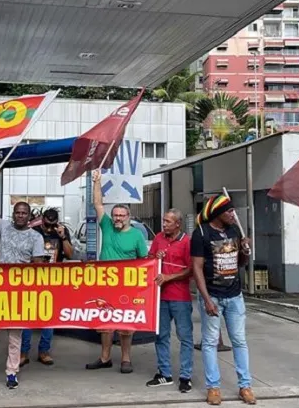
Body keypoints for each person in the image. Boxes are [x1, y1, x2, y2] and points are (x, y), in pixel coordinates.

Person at [0, 171, 45, 391]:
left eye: (24, 213)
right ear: (13, 214)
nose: (20, 216)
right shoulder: (4, 226)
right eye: (17, 212)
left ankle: (12, 373)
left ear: (29, 215)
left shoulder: (36, 237)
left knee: (15, 336)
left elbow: (37, 264)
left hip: (19, 291)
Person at [191, 195, 255, 405]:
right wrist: (207, 299)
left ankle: (245, 386)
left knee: (239, 341)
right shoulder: (201, 233)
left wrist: (245, 250)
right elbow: (197, 268)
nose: (233, 214)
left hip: (235, 295)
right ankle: (214, 388)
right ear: (218, 213)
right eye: (229, 211)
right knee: (210, 342)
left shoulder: (234, 231)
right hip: (213, 295)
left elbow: (240, 263)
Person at [85, 169, 147, 374]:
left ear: (129, 216)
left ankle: (126, 359)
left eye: (122, 215)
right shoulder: (108, 226)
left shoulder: (137, 235)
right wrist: (97, 181)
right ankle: (105, 358)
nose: (118, 218)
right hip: (105, 283)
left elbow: (143, 262)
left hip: (127, 286)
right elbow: (98, 204)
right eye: (116, 215)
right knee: (105, 323)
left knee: (126, 324)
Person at [146, 208, 193, 393]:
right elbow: (148, 260)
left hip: (180, 297)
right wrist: (154, 258)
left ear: (178, 224)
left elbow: (191, 269)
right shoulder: (158, 238)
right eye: (163, 220)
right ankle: (164, 373)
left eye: (168, 221)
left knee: (185, 337)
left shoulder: (187, 242)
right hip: (160, 297)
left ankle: (185, 376)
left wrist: (168, 278)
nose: (164, 224)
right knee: (160, 335)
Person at [19, 207, 74, 367]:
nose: (49, 229)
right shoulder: (32, 231)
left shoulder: (61, 232)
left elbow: (70, 255)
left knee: (48, 317)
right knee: (28, 317)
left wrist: (63, 238)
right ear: (41, 220)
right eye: (46, 225)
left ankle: (44, 351)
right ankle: (24, 352)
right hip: (32, 279)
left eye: (52, 225)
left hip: (52, 280)